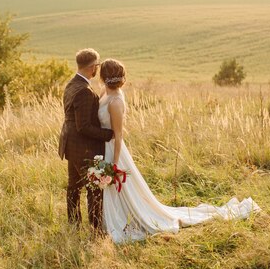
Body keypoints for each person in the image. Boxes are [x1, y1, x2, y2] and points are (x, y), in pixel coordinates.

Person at [97, 59, 261, 243]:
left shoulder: (116, 102)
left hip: (113, 150)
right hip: (102, 147)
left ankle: (121, 220)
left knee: (120, 189)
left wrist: (114, 164)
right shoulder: (105, 92)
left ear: (104, 77)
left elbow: (119, 136)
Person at [59, 49, 114, 232]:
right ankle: (96, 228)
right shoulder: (83, 90)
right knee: (94, 187)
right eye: (97, 66)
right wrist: (108, 134)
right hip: (83, 147)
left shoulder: (71, 84)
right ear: (92, 67)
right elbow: (83, 126)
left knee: (73, 186)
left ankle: (74, 224)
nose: (97, 69)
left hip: (70, 144)